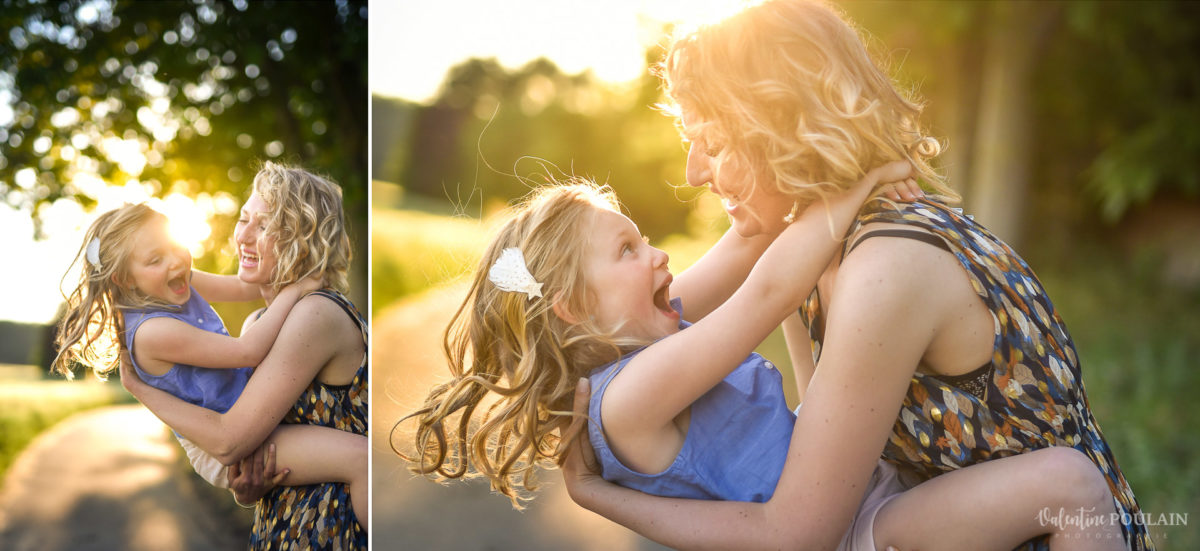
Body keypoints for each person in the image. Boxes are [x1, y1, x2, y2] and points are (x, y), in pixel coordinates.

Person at [558, 1, 1152, 550]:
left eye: (709, 142)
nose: (693, 174)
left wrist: (602, 494)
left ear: (775, 127)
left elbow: (802, 525)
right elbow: (620, 323)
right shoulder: (816, 248)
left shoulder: (885, 267)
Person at [402, 178, 1122, 550]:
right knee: (1073, 484)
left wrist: (811, 173)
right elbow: (766, 288)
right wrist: (862, 178)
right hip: (852, 530)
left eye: (643, 238)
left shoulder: (641, 338)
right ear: (570, 307)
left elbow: (749, 246)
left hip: (853, 484)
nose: (657, 255)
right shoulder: (628, 396)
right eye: (626, 250)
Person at [119, 162, 368, 550]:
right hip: (286, 529)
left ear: (303, 239)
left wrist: (138, 387)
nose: (244, 237)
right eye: (243, 219)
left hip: (337, 531)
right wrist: (247, 489)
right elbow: (250, 450)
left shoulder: (315, 313)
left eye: (265, 226)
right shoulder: (259, 321)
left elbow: (230, 440)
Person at [52, 202, 362, 506]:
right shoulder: (152, 332)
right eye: (155, 259)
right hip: (219, 448)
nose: (175, 261)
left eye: (174, 246)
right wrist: (296, 291)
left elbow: (245, 288)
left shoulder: (176, 280)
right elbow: (247, 351)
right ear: (125, 279)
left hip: (242, 408)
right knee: (360, 461)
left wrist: (297, 263)